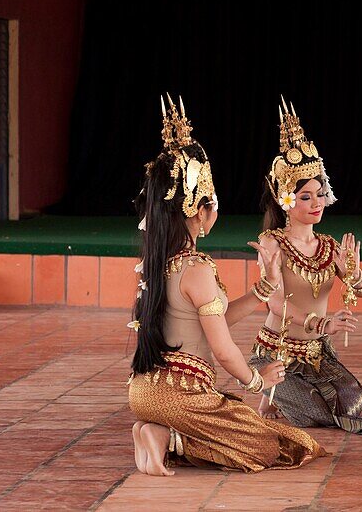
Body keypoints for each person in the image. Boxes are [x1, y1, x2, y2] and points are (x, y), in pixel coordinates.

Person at [128, 95, 326, 475]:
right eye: (213, 202)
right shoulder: (198, 268)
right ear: (198, 212)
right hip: (180, 396)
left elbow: (216, 321)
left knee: (247, 425)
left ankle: (157, 429)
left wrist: (263, 289)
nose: (216, 211)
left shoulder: (159, 262)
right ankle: (166, 437)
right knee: (277, 445)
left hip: (144, 389)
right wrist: (256, 379)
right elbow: (222, 349)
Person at [251, 98, 362, 434]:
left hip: (318, 353)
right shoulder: (273, 243)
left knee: (355, 407)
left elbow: (361, 290)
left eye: (319, 194)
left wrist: (354, 275)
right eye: (305, 197)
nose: (316, 203)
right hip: (277, 352)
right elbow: (274, 302)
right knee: (316, 414)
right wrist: (323, 322)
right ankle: (272, 390)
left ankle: (278, 396)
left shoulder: (329, 246)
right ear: (285, 200)